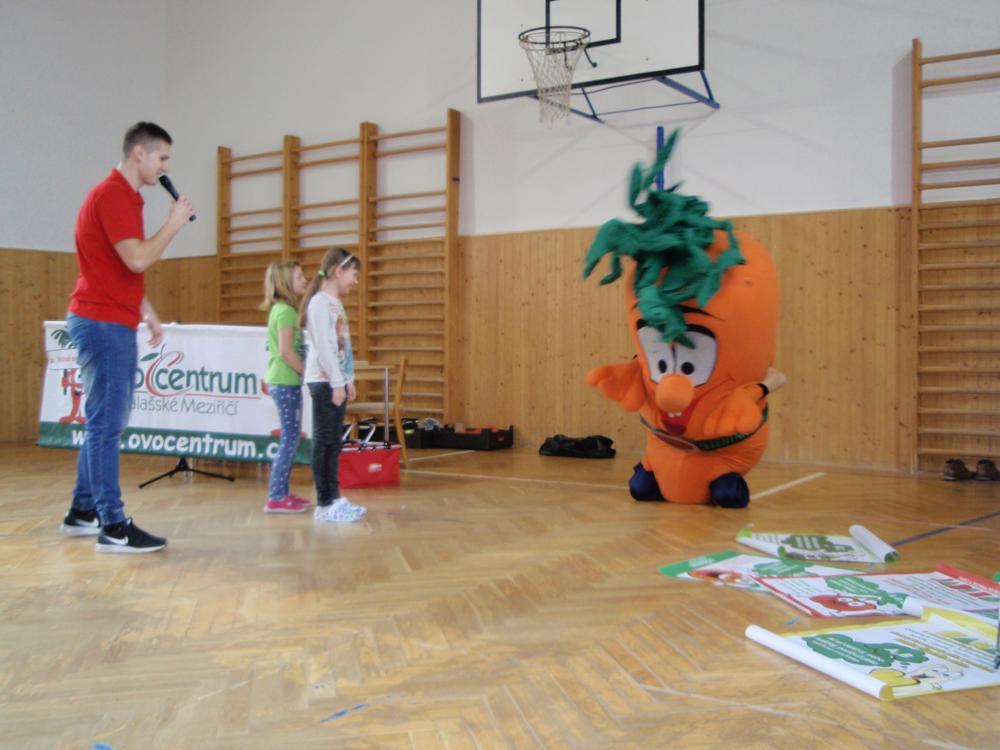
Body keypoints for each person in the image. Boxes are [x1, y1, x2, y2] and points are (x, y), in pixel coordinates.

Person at [60, 122, 195, 552]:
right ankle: (113, 525)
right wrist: (172, 225)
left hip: (107, 317)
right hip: (102, 324)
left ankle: (83, 510)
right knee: (106, 425)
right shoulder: (114, 195)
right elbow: (136, 259)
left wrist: (147, 312)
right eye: (162, 158)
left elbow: (117, 269)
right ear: (140, 153)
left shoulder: (122, 196)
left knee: (105, 422)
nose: (165, 167)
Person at [299, 247, 367, 522]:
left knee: (334, 443)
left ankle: (334, 497)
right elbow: (324, 348)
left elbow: (342, 348)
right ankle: (324, 503)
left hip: (336, 381)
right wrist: (338, 383)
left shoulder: (334, 303)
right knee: (324, 442)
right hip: (323, 382)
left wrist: (348, 379)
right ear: (338, 271)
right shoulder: (318, 303)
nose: (355, 281)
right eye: (353, 274)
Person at [260, 260, 312, 513]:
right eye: (299, 277)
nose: (305, 280)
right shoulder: (285, 312)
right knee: (290, 439)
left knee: (290, 438)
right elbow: (286, 353)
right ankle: (276, 496)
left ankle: (281, 492)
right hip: (285, 380)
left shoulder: (284, 310)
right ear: (284, 283)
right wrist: (308, 373)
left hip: (285, 381)